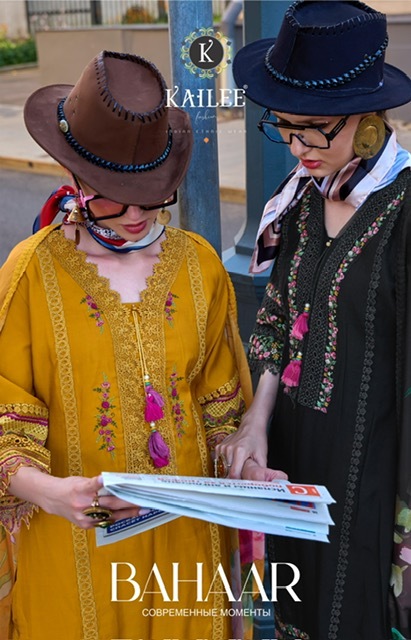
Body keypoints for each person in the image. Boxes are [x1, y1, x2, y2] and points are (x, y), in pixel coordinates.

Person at [0, 50, 255, 640]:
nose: (137, 213)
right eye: (114, 194)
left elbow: (220, 413)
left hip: (186, 549)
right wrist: (50, 493)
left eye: (153, 193)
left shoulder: (199, 266)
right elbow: (6, 427)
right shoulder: (30, 275)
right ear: (73, 175)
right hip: (72, 550)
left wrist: (248, 462)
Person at [215, 2, 411, 639]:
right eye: (285, 127)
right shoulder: (302, 203)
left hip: (376, 477)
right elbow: (278, 319)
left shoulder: (404, 211)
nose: (298, 147)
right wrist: (256, 419)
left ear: (369, 119)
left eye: (315, 130)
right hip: (294, 468)